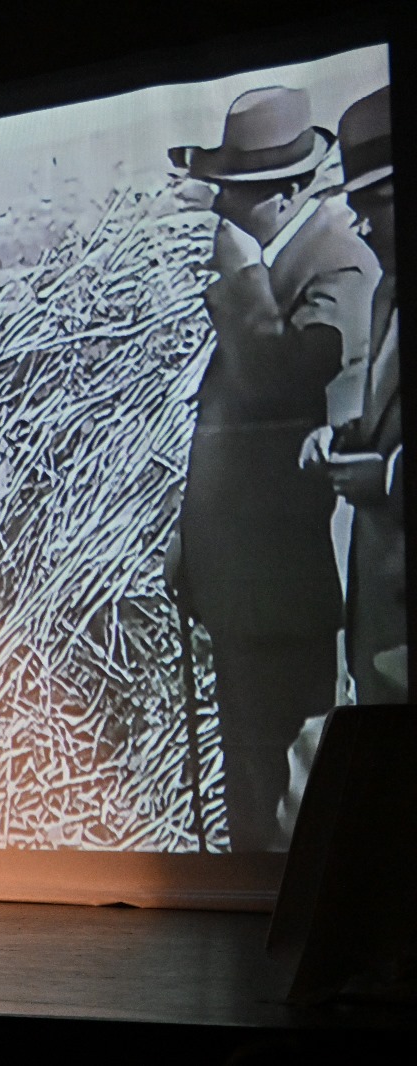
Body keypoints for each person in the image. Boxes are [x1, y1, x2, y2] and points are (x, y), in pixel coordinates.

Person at [167, 85, 379, 851]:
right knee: (253, 790)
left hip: (295, 585)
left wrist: (238, 279)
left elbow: (276, 385)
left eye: (238, 191)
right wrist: (194, 539)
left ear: (287, 192)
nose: (221, 206)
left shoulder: (338, 265)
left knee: (292, 800)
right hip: (247, 585)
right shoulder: (287, 258)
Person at [301, 85, 404, 705]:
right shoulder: (387, 293)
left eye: (375, 205)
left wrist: (389, 478)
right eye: (356, 208)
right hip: (384, 630)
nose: (361, 228)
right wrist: (345, 438)